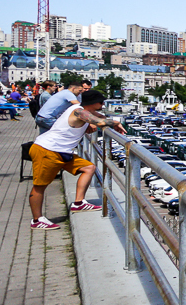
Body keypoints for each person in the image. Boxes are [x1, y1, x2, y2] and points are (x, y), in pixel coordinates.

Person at [28, 89, 126, 230]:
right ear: (93, 103)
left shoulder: (84, 111)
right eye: (100, 102)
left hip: (63, 151)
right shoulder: (79, 112)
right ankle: (37, 220)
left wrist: (102, 122)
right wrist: (115, 122)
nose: (103, 105)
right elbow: (98, 121)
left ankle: (79, 203)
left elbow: (99, 117)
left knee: (89, 167)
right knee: (40, 186)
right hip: (47, 150)